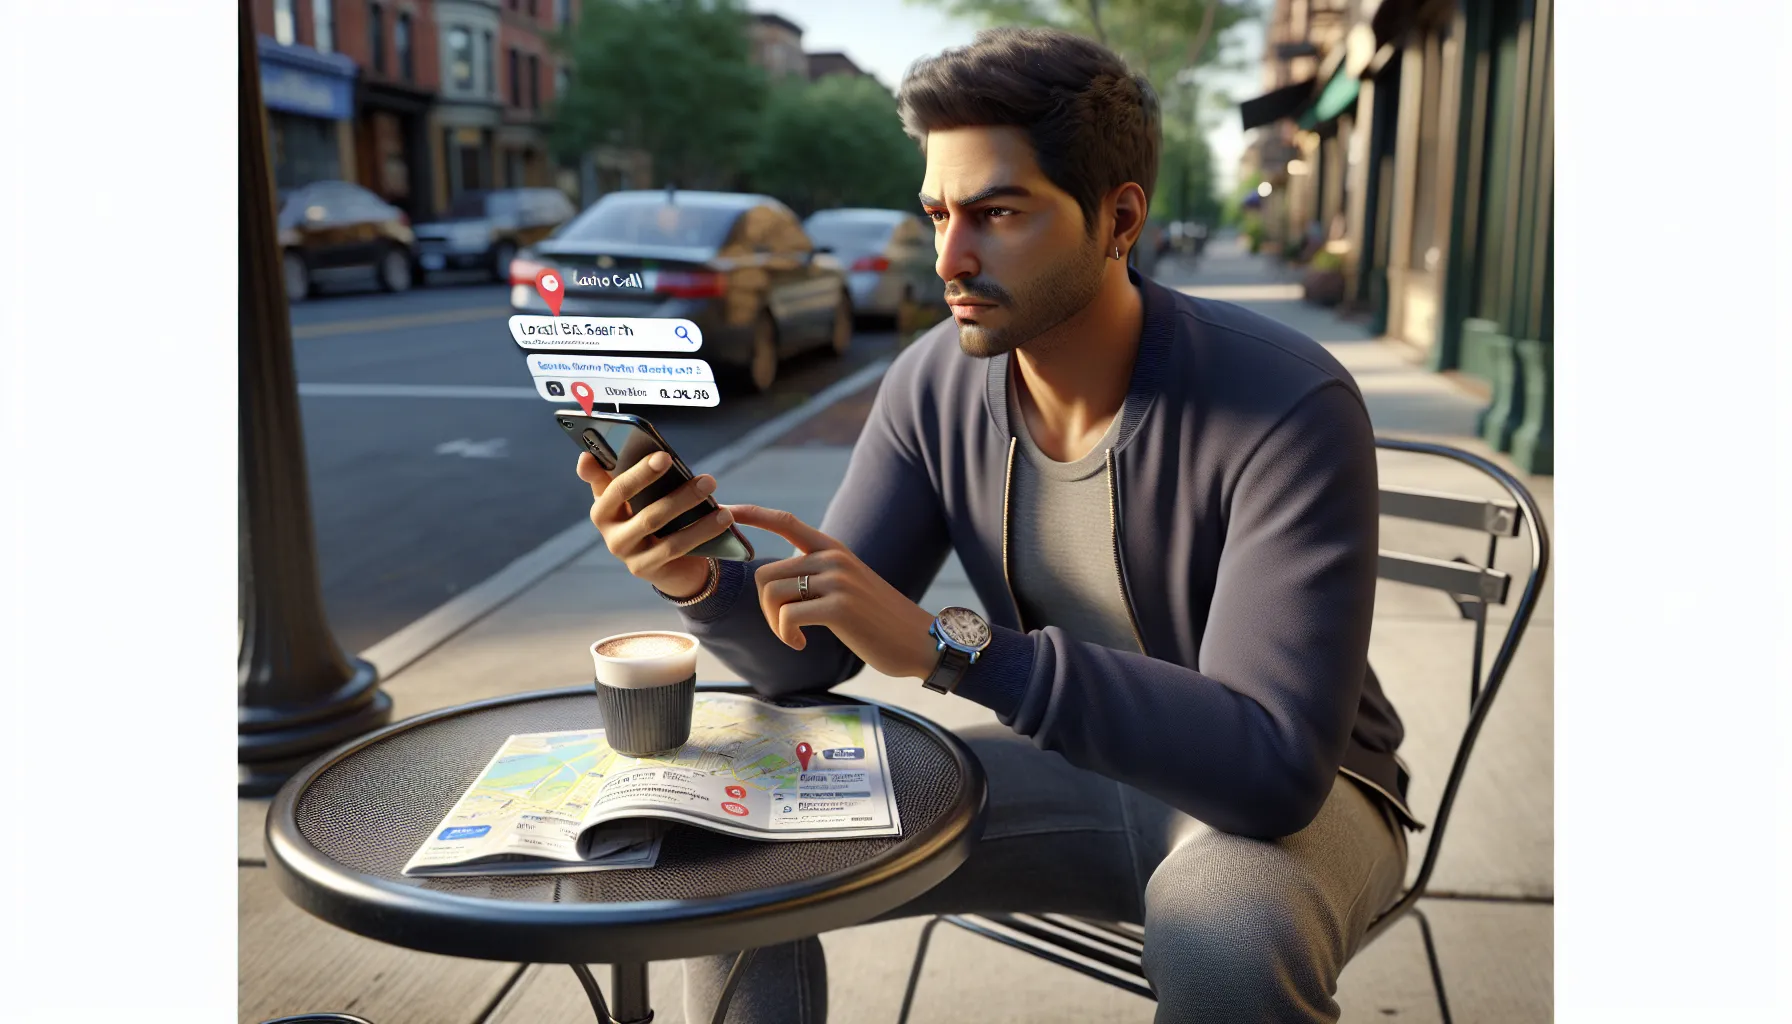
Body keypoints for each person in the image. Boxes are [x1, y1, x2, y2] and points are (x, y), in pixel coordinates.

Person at [575, 27, 1417, 1024]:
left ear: (1119, 217)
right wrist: (697, 577)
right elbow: (803, 663)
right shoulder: (934, 382)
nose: (950, 256)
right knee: (733, 837)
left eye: (997, 212)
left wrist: (954, 651)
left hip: (1308, 801)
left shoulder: (1285, 400)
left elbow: (1270, 767)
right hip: (1081, 772)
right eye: (936, 212)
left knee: (1220, 928)